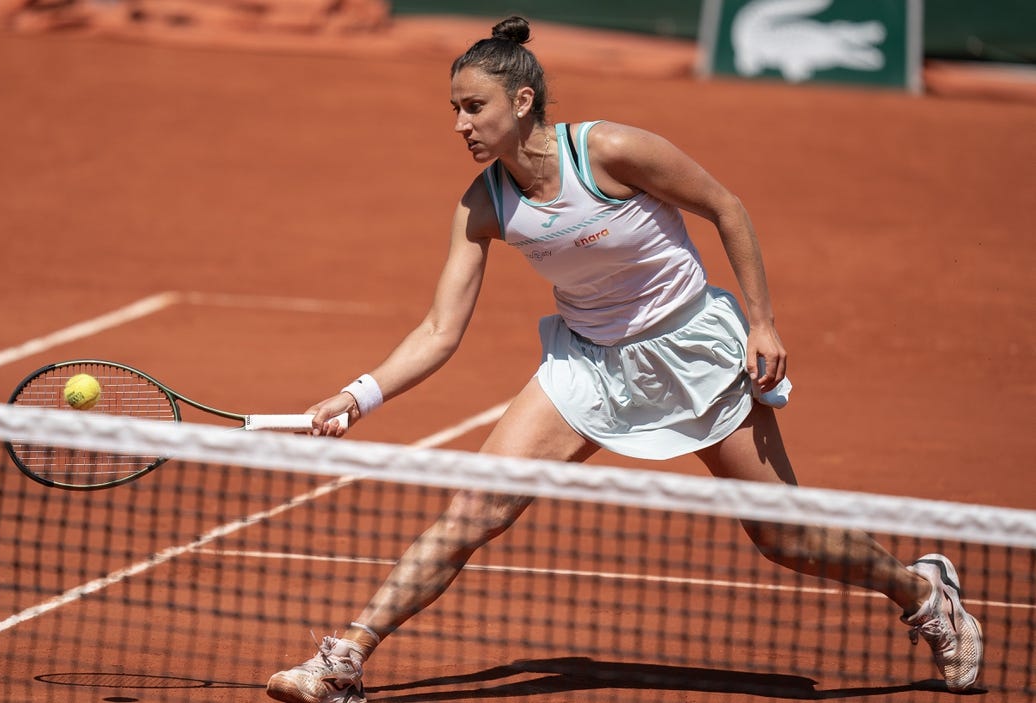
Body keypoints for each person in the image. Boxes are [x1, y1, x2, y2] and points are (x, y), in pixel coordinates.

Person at [266, 16, 983, 703]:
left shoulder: (609, 151)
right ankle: (346, 659)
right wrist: (358, 394)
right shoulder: (482, 203)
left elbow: (726, 207)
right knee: (472, 510)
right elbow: (438, 329)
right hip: (588, 368)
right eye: (454, 108)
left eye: (474, 106)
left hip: (692, 351)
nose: (460, 124)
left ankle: (922, 593)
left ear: (522, 101)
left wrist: (762, 322)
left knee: (785, 536)